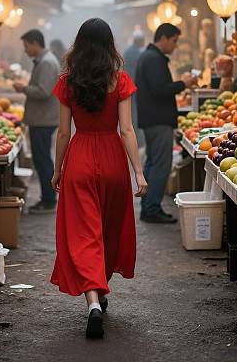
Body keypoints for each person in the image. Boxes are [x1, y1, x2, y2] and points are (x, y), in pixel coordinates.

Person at [51, 18, 147, 339]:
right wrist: (138, 172)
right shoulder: (119, 81)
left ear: (78, 45)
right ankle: (100, 291)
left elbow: (64, 132)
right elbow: (127, 130)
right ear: (110, 45)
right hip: (112, 161)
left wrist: (57, 169)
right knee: (106, 228)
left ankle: (93, 301)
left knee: (84, 232)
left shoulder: (67, 82)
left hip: (79, 158)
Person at [135, 23, 196, 224]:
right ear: (163, 38)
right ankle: (151, 208)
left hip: (152, 120)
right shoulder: (153, 59)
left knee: (153, 164)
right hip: (158, 120)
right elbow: (159, 90)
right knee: (160, 165)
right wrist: (183, 84)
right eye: (174, 41)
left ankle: (149, 207)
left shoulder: (150, 57)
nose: (175, 46)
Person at [13, 30, 60, 213]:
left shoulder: (47, 62)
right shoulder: (45, 60)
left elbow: (43, 91)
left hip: (43, 120)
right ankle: (47, 197)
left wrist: (23, 88)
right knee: (42, 159)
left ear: (35, 43)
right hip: (42, 118)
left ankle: (48, 199)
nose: (25, 50)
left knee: (43, 160)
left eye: (26, 46)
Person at [123, 31, 145, 147]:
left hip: (127, 87)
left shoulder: (127, 51)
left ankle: (133, 139)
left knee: (130, 114)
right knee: (135, 114)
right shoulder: (138, 53)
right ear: (140, 41)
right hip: (135, 88)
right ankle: (138, 141)